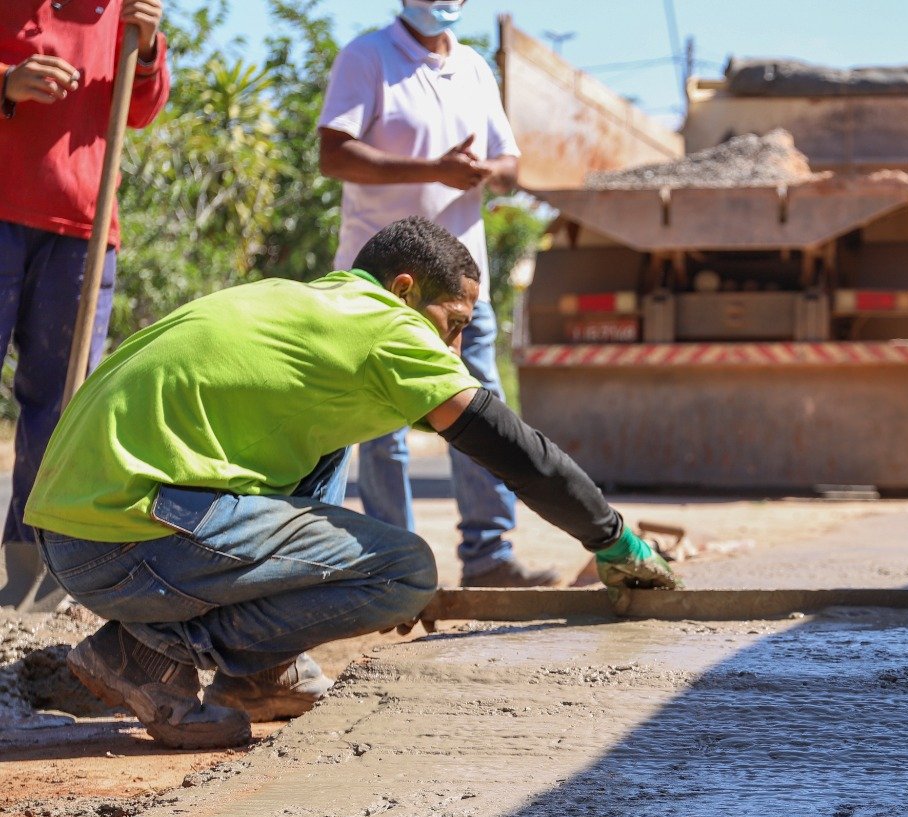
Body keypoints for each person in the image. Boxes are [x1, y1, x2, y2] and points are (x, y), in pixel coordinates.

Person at [27, 217, 680, 751]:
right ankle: (147, 655)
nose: (454, 350)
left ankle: (263, 673)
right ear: (404, 290)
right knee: (403, 573)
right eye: (453, 324)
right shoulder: (387, 327)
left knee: (329, 440)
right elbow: (511, 447)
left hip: (88, 523)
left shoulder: (313, 308)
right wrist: (611, 537)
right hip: (122, 539)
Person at [317, 0, 555, 588]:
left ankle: (489, 556)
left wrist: (483, 172)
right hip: (382, 286)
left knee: (480, 415)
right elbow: (334, 154)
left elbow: (510, 165)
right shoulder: (368, 56)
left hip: (463, 292)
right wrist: (432, 169)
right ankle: (394, 570)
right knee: (382, 427)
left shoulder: (473, 67)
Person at [0, 1, 169, 558]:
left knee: (60, 407)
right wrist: (7, 81)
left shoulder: (124, 11)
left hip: (82, 228)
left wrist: (147, 46)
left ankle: (32, 562)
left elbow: (140, 110)